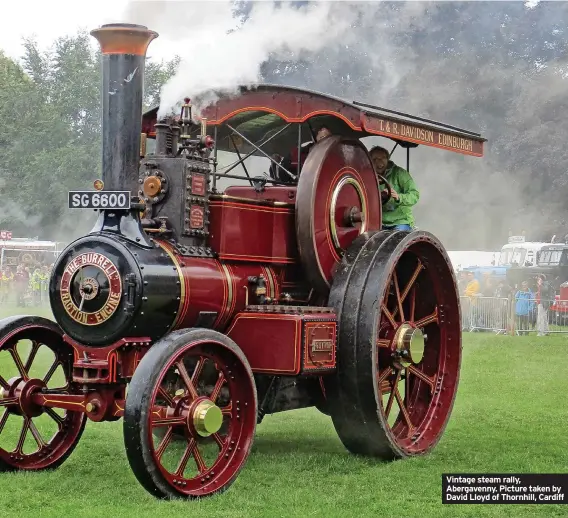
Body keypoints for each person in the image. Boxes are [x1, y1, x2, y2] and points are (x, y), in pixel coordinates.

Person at [369, 145, 420, 231]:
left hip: (400, 221)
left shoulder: (400, 173)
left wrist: (398, 197)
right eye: (375, 160)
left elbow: (414, 195)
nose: (379, 163)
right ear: (369, 161)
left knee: (395, 239)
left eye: (382, 158)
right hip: (378, 221)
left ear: (388, 159)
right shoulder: (367, 175)